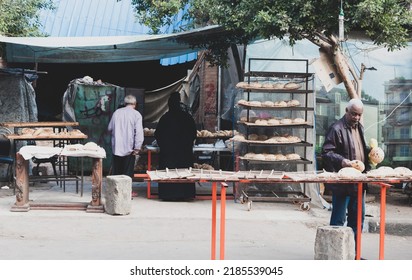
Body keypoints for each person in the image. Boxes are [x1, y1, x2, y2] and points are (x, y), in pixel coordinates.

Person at [321, 98, 371, 256]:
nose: (356, 117)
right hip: (342, 184)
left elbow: (360, 149)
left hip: (359, 183)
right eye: (354, 114)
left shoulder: (360, 127)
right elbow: (326, 152)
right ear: (346, 111)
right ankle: (335, 255)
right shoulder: (336, 128)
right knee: (338, 221)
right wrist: (343, 161)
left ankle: (354, 254)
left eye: (359, 115)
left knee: (358, 221)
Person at [154, 92, 197, 201]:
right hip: (184, 152)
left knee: (169, 172)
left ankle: (168, 194)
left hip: (168, 153)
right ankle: (185, 194)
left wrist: (164, 145)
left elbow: (158, 134)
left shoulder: (165, 118)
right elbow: (193, 133)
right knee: (184, 172)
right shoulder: (187, 118)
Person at [107, 94, 144, 178]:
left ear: (125, 103)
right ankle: (126, 191)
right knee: (127, 175)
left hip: (116, 148)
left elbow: (109, 128)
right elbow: (138, 133)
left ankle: (116, 191)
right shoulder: (136, 114)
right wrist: (137, 148)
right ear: (134, 104)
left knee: (117, 174)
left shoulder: (117, 113)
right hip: (129, 149)